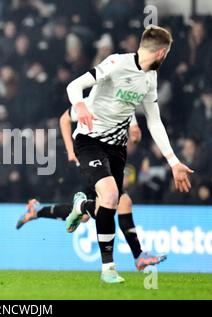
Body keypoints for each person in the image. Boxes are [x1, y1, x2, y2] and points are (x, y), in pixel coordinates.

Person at [64, 26, 193, 283]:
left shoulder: (149, 79)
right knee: (112, 196)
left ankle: (82, 206)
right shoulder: (116, 63)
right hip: (89, 140)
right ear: (161, 52)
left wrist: (174, 161)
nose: (165, 58)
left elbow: (155, 122)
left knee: (108, 204)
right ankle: (108, 269)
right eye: (166, 54)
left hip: (117, 148)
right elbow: (74, 85)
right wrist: (80, 104)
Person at [16, 108, 166, 272]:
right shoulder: (90, 103)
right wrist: (70, 149)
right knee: (107, 205)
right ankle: (136, 256)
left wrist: (133, 126)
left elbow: (127, 110)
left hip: (105, 163)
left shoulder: (118, 102)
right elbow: (64, 119)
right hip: (90, 161)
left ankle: (40, 210)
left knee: (113, 206)